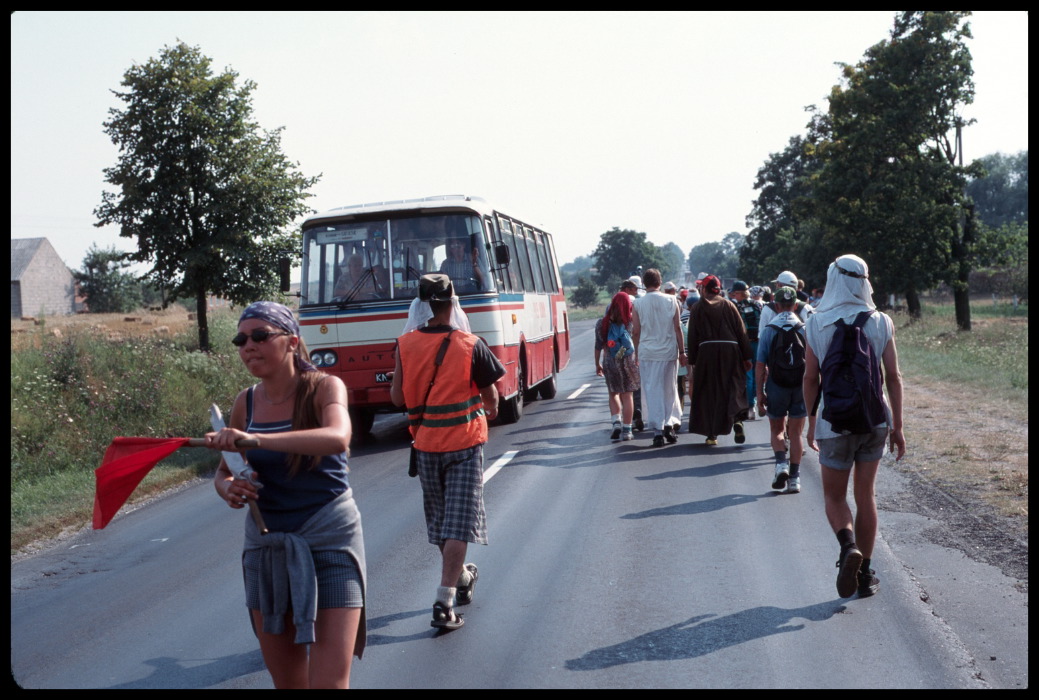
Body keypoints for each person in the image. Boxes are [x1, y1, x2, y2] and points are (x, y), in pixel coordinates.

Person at [206, 301, 366, 689]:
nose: (249, 346)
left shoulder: (325, 387)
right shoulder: (245, 401)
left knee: (328, 683)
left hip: (330, 541)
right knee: (290, 684)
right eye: (241, 339)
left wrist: (257, 439)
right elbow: (225, 470)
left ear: (292, 341)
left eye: (260, 335)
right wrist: (229, 489)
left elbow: (337, 437)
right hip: (267, 546)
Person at [390, 274, 505, 630]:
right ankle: (444, 601)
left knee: (442, 521)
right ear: (452, 302)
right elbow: (493, 400)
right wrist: (487, 408)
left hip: (425, 445)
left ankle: (460, 579)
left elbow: (396, 398)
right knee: (457, 522)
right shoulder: (471, 344)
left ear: (422, 304)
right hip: (465, 444)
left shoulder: (404, 344)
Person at [803, 255, 906, 599]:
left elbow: (810, 378)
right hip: (874, 420)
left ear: (833, 280)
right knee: (866, 495)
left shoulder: (815, 323)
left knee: (834, 496)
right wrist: (898, 427)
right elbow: (893, 377)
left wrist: (810, 420)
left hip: (834, 423)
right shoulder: (881, 322)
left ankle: (848, 547)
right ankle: (865, 574)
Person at [686, 274, 753, 446]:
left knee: (709, 392)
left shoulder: (698, 307)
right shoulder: (729, 305)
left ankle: (711, 434)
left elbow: (692, 336)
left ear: (704, 289)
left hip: (706, 352)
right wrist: (747, 356)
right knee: (733, 386)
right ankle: (737, 419)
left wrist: (692, 360)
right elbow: (741, 332)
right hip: (731, 350)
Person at [755, 287, 808, 493]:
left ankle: (781, 465)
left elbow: (760, 365)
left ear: (776, 306)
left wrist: (759, 394)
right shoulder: (804, 328)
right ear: (796, 305)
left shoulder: (769, 329)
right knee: (796, 434)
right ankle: (795, 479)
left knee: (777, 430)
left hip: (777, 385)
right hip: (800, 385)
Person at [632, 269, 687, 447]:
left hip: (648, 352)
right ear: (660, 282)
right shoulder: (672, 300)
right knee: (669, 389)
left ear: (644, 284)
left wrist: (636, 353)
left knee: (652, 390)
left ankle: (657, 430)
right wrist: (682, 351)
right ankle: (669, 424)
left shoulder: (638, 304)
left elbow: (636, 331)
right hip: (668, 352)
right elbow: (678, 328)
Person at [595, 291, 640, 441]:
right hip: (628, 361)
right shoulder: (631, 321)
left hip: (610, 361)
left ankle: (616, 423)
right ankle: (627, 430)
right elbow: (637, 339)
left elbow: (598, 345)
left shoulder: (602, 323)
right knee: (628, 395)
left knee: (613, 393)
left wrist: (597, 364)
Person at [729, 280, 764, 420]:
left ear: (740, 293)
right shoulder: (757, 304)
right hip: (759, 343)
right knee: (758, 375)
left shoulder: (736, 307)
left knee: (748, 376)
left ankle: (750, 406)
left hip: (745, 345)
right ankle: (755, 403)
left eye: (735, 293)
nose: (733, 295)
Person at [758, 270, 813, 337]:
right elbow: (813, 336)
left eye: (776, 285)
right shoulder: (807, 308)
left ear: (779, 285)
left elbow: (762, 335)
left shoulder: (768, 309)